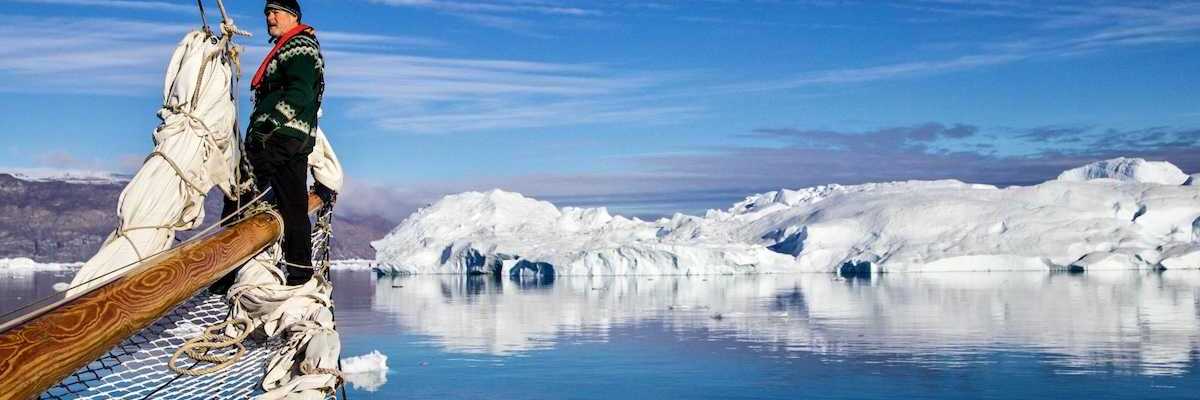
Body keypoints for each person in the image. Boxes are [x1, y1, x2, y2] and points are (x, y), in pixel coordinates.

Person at [222, 0, 327, 288]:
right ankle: (295, 272)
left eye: (275, 11)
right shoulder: (291, 45)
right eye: (267, 12)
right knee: (286, 202)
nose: (269, 17)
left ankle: (229, 272)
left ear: (292, 16)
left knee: (241, 195)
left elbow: (300, 92)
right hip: (284, 138)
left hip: (282, 138)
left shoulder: (300, 47)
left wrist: (269, 126)